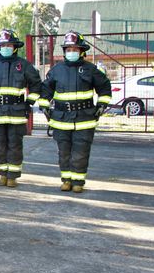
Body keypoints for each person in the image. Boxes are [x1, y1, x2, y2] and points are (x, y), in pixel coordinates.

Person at [38, 30, 112, 193]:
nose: (71, 52)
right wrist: (44, 106)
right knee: (64, 152)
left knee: (80, 151)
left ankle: (78, 182)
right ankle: (66, 180)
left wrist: (101, 105)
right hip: (61, 119)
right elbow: (45, 91)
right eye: (68, 49)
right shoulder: (56, 70)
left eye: (75, 49)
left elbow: (105, 88)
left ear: (82, 51)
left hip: (85, 119)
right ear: (65, 51)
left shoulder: (91, 70)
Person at [0, 29, 42, 188]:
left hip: (17, 113)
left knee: (15, 145)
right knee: (0, 145)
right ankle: (2, 174)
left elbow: (36, 85)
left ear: (15, 47)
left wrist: (29, 103)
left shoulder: (24, 65)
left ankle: (13, 176)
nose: (5, 47)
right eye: (3, 45)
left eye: (8, 45)